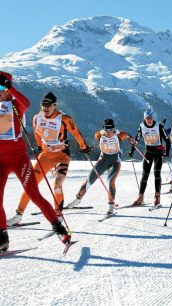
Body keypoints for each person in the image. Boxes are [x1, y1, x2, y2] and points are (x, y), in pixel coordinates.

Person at [0, 71, 70, 251]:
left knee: (33, 193)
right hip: (0, 160)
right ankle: (2, 236)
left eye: (1, 87)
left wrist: (10, 88)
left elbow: (26, 103)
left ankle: (58, 227)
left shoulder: (15, 105)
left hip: (18, 158)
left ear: (7, 88)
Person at [7, 92, 91, 226]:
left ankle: (58, 216)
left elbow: (76, 132)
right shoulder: (36, 118)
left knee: (57, 185)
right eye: (43, 105)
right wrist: (40, 146)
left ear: (55, 106)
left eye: (48, 105)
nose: (45, 108)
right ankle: (18, 215)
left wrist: (84, 147)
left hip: (62, 155)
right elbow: (36, 133)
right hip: (45, 155)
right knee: (30, 185)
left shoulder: (64, 119)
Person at [67, 119, 134, 214]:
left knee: (110, 181)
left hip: (115, 161)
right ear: (104, 129)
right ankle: (78, 199)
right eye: (107, 130)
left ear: (114, 129)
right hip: (103, 160)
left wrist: (132, 140)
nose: (109, 132)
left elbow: (128, 135)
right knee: (89, 180)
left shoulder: (119, 135)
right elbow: (96, 134)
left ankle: (111, 206)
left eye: (111, 130)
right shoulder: (99, 135)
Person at [129, 109, 171, 208]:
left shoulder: (159, 126)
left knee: (157, 173)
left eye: (150, 118)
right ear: (145, 118)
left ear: (153, 118)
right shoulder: (142, 126)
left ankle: (157, 197)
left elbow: (167, 141)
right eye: (147, 118)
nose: (149, 120)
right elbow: (137, 139)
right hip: (148, 152)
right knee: (145, 175)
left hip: (158, 153)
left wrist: (167, 154)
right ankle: (140, 197)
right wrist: (132, 150)